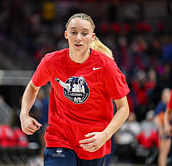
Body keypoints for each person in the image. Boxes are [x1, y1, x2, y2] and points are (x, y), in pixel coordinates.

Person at [20, 13, 130, 166]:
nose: (78, 37)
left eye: (84, 33)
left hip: (93, 142)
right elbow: (33, 86)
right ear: (66, 35)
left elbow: (123, 107)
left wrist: (105, 135)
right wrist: (24, 114)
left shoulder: (106, 65)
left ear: (92, 37)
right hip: (59, 139)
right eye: (74, 32)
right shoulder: (51, 61)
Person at [154, 88, 171, 166]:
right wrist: (160, 129)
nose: (166, 97)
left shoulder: (170, 105)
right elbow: (156, 118)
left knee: (164, 154)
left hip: (169, 132)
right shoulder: (161, 105)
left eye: (168, 95)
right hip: (164, 132)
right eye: (165, 95)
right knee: (163, 153)